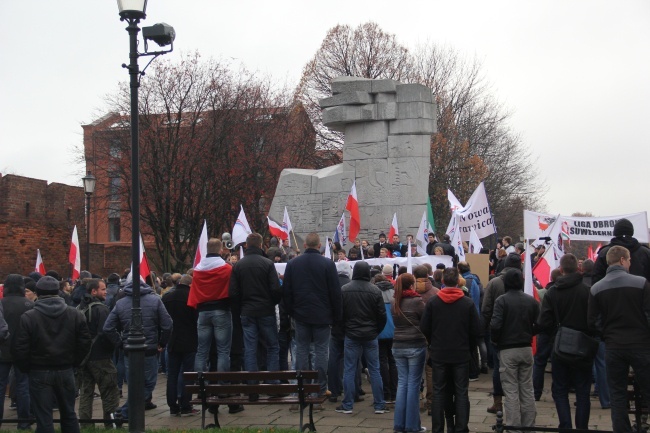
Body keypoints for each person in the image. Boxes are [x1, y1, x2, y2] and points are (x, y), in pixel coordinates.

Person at [13, 276, 91, 433]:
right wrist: (74, 362)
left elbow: (20, 347)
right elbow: (85, 342)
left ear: (38, 293)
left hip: (39, 371)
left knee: (44, 418)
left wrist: (27, 368)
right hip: (65, 369)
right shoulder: (75, 314)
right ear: (57, 291)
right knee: (69, 414)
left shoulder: (29, 317)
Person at [588, 246, 650, 433]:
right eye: (630, 260)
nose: (630, 263)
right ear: (623, 260)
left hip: (614, 347)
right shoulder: (642, 283)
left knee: (617, 395)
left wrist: (606, 334)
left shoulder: (597, 288)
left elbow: (592, 322)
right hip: (641, 346)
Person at [537, 253, 593, 429]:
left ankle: (566, 425)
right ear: (578, 268)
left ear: (561, 269)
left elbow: (544, 322)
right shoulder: (587, 291)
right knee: (583, 391)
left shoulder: (552, 292)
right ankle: (581, 427)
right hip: (583, 345)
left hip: (560, 345)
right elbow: (593, 319)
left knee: (559, 389)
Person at [421, 267, 480, 433]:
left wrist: (434, 341)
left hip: (439, 353)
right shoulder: (467, 303)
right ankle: (461, 428)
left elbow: (425, 327)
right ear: (458, 282)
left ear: (443, 281)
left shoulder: (433, 302)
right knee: (461, 392)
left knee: (439, 391)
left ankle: (438, 428)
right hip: (461, 353)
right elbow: (476, 330)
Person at [104, 274, 173, 416]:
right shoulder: (155, 301)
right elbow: (167, 324)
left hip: (130, 349)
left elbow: (108, 328)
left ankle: (125, 410)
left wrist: (121, 343)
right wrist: (162, 342)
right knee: (148, 383)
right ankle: (123, 413)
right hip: (149, 349)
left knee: (134, 384)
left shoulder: (121, 303)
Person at [283, 232, 342, 397]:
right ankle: (320, 388)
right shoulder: (328, 264)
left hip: (301, 314)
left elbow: (286, 292)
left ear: (304, 245)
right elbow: (335, 293)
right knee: (322, 352)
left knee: (301, 350)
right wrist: (337, 316)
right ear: (319, 246)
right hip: (323, 315)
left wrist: (291, 311)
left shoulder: (293, 264)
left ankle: (303, 387)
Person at [229, 233, 282, 401]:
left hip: (247, 311)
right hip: (265, 311)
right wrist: (272, 302)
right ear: (260, 245)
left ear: (246, 245)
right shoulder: (267, 264)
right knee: (272, 347)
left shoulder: (238, 266)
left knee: (250, 348)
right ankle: (273, 385)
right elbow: (275, 289)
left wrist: (240, 309)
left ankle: (252, 387)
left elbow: (233, 293)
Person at [335, 261, 387, 415]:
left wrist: (345, 330)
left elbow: (340, 315)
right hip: (370, 334)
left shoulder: (345, 290)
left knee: (349, 369)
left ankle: (348, 404)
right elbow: (382, 315)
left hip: (351, 334)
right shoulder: (375, 290)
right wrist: (376, 330)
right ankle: (379, 404)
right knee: (374, 369)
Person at [490, 268, 539, 429]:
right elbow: (540, 323)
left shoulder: (502, 301)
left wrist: (496, 341)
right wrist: (530, 333)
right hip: (526, 348)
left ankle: (513, 426)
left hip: (507, 349)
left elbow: (495, 325)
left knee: (510, 390)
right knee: (527, 388)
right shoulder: (531, 301)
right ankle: (529, 426)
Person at [481, 252, 521, 414]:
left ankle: (498, 403)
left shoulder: (494, 283)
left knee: (498, 368)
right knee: (519, 368)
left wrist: (485, 327)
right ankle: (517, 401)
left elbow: (486, 308)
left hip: (497, 330)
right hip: (519, 330)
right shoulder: (523, 281)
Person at [77, 278, 120, 428]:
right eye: (103, 289)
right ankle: (111, 423)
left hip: (84, 358)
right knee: (109, 391)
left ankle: (86, 425)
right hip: (100, 356)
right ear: (93, 291)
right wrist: (114, 346)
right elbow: (106, 332)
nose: (106, 291)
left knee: (86, 392)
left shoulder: (79, 308)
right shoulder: (101, 309)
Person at [188, 238, 233, 375]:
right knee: (223, 351)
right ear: (220, 250)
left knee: (202, 350)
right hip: (221, 310)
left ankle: (201, 384)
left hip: (203, 312)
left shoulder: (198, 270)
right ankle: (222, 385)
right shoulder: (227, 269)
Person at [391, 273, 427, 433]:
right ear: (411, 285)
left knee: (402, 384)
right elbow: (425, 321)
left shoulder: (395, 301)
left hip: (398, 344)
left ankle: (399, 424)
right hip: (415, 345)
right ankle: (412, 426)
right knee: (413, 384)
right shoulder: (417, 301)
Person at [162, 274, 198, 416]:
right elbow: (196, 319)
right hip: (189, 340)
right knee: (187, 373)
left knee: (172, 374)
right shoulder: (191, 297)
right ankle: (185, 404)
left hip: (172, 339)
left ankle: (172, 406)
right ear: (190, 285)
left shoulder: (167, 297)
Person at [0, 275, 33, 431]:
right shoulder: (28, 305)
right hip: (23, 351)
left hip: (2, 350)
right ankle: (24, 421)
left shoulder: (1, 303)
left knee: (0, 387)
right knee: (23, 386)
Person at [592, 218, 650, 285]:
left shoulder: (604, 253)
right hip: (641, 293)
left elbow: (596, 280)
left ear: (615, 232)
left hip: (610, 293)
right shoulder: (646, 253)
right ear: (631, 232)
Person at [375, 273, 397, 405]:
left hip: (380, 332)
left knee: (382, 361)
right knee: (393, 362)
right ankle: (395, 393)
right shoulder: (394, 293)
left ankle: (386, 392)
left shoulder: (374, 293)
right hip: (393, 331)